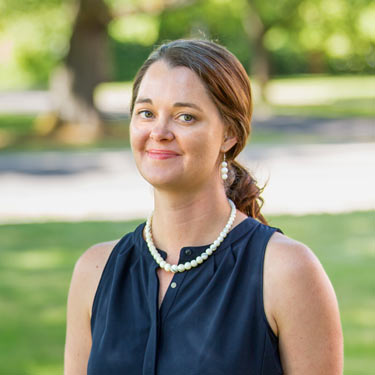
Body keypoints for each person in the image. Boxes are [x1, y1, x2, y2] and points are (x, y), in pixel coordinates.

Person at [64, 39, 343, 374]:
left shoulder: (287, 271)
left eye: (185, 116)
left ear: (229, 134)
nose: (159, 131)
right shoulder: (94, 271)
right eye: (146, 113)